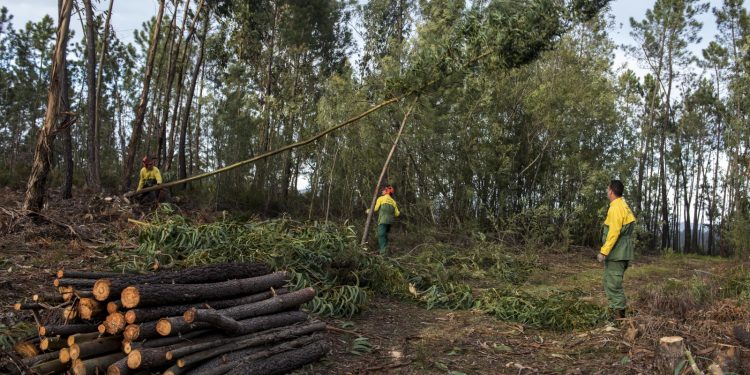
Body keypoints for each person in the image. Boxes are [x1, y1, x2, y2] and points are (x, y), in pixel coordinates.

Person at [599, 179, 636, 320]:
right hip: (622, 252)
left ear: (611, 191)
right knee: (611, 282)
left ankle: (620, 320)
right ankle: (616, 316)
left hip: (617, 253)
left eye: (608, 189)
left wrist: (604, 251)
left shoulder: (616, 208)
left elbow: (613, 232)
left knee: (613, 285)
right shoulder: (624, 205)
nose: (607, 192)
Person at [373, 185, 400, 255]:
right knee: (385, 236)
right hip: (390, 222)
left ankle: (383, 254)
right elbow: (397, 214)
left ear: (387, 191)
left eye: (384, 190)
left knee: (381, 236)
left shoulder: (381, 198)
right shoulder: (393, 202)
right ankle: (386, 252)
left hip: (382, 221)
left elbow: (375, 209)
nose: (382, 191)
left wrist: (368, 210)